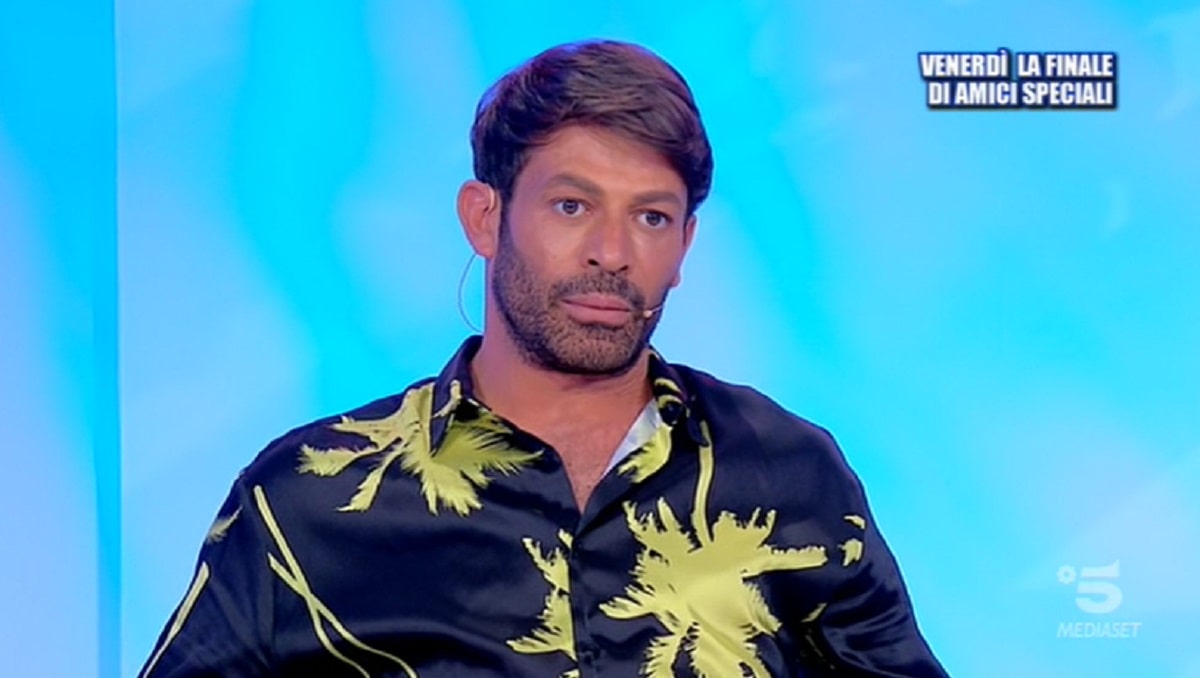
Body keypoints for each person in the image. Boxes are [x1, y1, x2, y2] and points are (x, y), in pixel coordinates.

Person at [140, 39, 948, 677]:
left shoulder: (785, 470)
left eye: (652, 218)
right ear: (484, 219)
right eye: (571, 205)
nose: (612, 252)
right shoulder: (308, 501)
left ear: (685, 245)